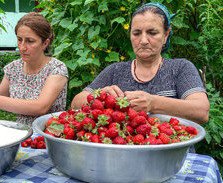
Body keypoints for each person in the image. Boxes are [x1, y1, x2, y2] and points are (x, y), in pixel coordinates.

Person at [71, 3, 209, 125]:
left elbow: (202, 112)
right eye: (136, 33)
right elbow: (75, 104)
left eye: (152, 32)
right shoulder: (115, 71)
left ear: (166, 35)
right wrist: (99, 96)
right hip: (122, 152)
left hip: (173, 152)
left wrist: (153, 103)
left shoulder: (180, 68)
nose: (143, 40)